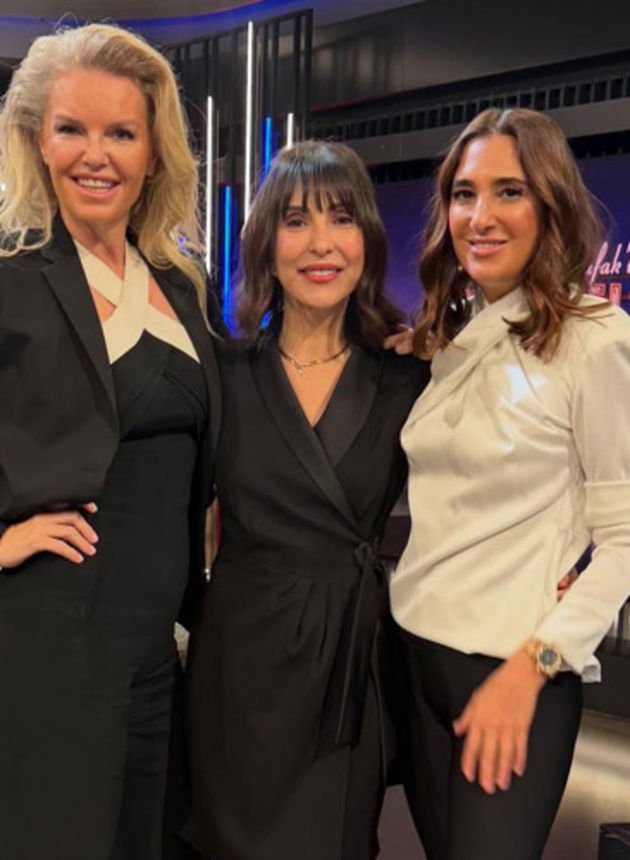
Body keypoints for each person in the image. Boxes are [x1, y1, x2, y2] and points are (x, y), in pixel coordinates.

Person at [0, 23, 222, 860]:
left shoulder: (183, 288)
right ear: (38, 140)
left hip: (160, 651)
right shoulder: (10, 277)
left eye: (121, 133)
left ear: (154, 152)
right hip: (47, 643)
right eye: (72, 129)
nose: (96, 156)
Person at [391, 106, 630, 859]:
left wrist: (534, 668)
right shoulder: (454, 338)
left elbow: (625, 539)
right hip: (414, 654)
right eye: (464, 194)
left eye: (509, 192)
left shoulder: (596, 339)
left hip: (513, 669)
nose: (480, 216)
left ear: (550, 204)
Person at [184, 140, 430, 860]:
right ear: (267, 244)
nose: (321, 243)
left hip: (346, 671)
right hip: (237, 668)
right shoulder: (222, 372)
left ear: (368, 240)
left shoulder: (408, 376)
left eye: (342, 218)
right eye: (296, 221)